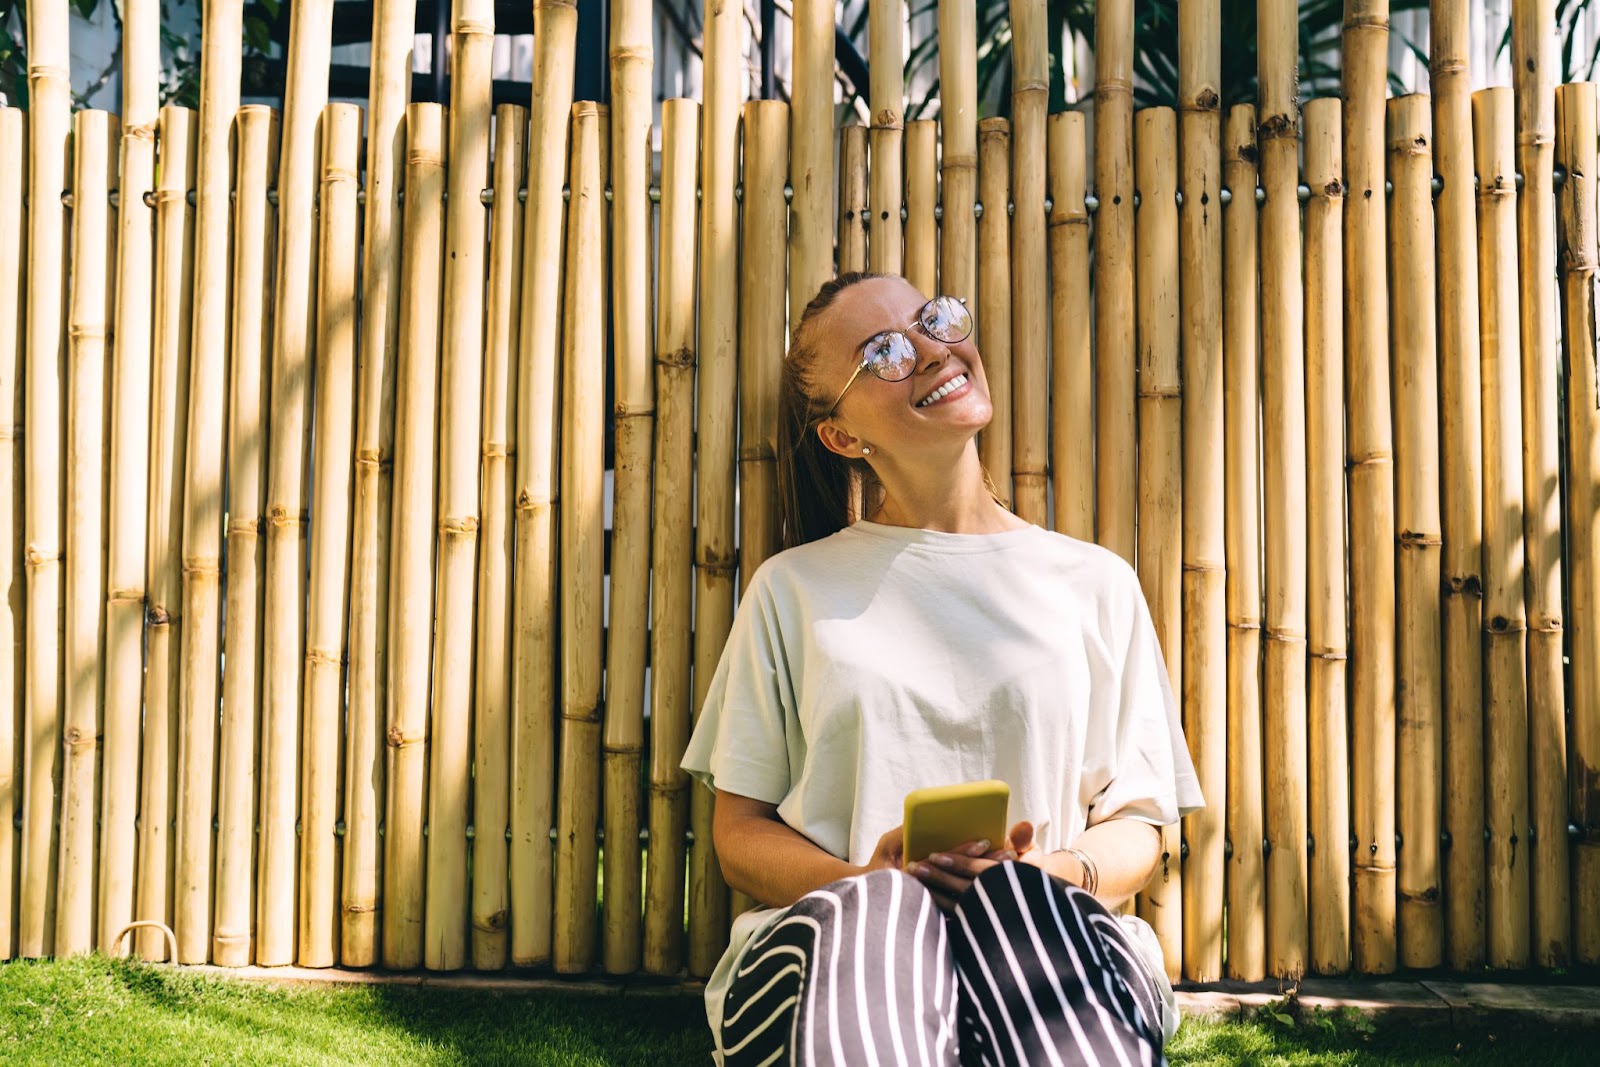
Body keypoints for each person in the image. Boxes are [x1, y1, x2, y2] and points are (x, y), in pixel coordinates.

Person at [682, 272, 1204, 1066]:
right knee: (884, 914)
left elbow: (1140, 823)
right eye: (884, 350)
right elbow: (739, 835)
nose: (932, 349)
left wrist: (1056, 870)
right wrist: (867, 877)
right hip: (836, 947)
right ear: (843, 436)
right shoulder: (791, 590)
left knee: (1018, 902)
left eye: (934, 319)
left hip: (1051, 934)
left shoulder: (1096, 582)